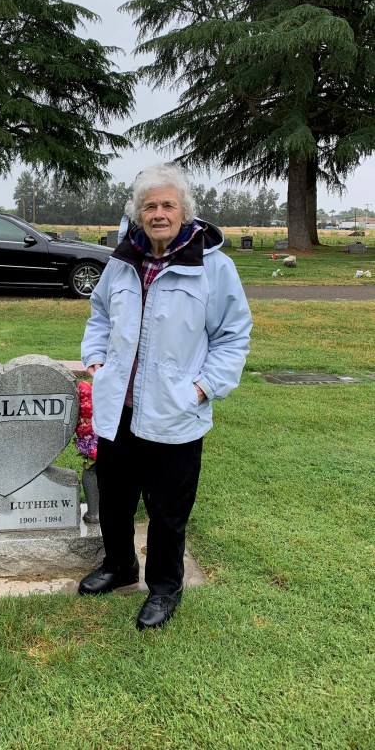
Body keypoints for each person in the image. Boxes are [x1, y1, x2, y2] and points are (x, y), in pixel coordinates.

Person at [78, 162, 252, 630]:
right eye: (150, 206)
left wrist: (202, 388)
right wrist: (96, 360)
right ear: (138, 213)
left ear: (184, 212)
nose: (158, 213)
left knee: (167, 510)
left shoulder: (213, 267)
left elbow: (233, 335)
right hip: (120, 407)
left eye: (168, 205)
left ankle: (164, 587)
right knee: (115, 499)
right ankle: (119, 566)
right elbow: (99, 314)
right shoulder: (122, 261)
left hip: (175, 411)